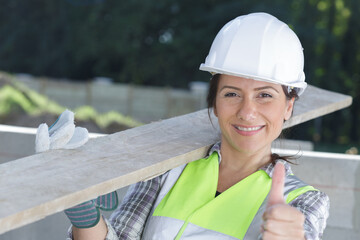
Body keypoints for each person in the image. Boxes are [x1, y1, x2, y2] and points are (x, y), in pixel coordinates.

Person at [39, 12, 329, 240]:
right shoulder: (168, 168)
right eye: (231, 94)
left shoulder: (304, 203)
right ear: (214, 102)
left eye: (265, 95)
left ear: (289, 106)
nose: (247, 111)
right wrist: (83, 211)